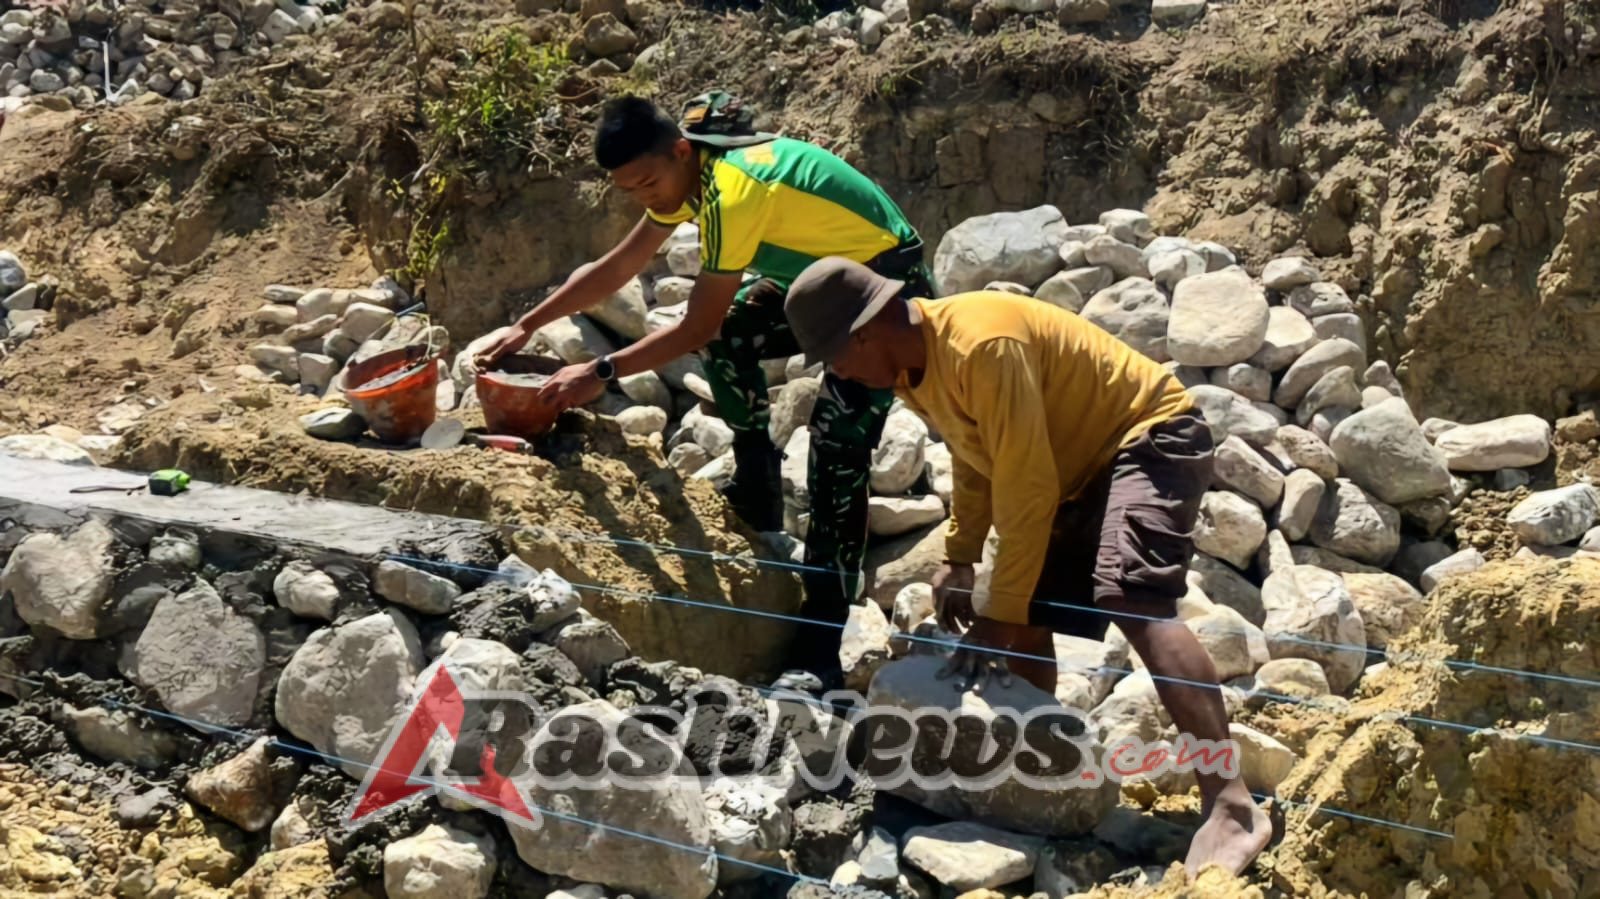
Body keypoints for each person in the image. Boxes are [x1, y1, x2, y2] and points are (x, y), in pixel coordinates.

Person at [780, 256, 1273, 877]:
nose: (838, 372)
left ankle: (1231, 806)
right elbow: (976, 458)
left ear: (868, 329)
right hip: (1075, 468)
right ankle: (1042, 780)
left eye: (836, 355)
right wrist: (961, 559)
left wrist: (997, 613)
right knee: (1026, 617)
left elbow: (1028, 487)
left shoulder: (982, 343)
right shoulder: (913, 367)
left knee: (1131, 597)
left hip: (1150, 435)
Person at [473, 93, 937, 687]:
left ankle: (826, 622)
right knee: (737, 331)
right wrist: (527, 323)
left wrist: (601, 372)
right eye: (631, 191)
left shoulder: (735, 188)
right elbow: (617, 268)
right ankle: (757, 480)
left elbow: (697, 324)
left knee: (836, 443)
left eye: (649, 183)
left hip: (887, 286)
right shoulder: (687, 182)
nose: (648, 199)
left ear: (681, 151)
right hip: (817, 282)